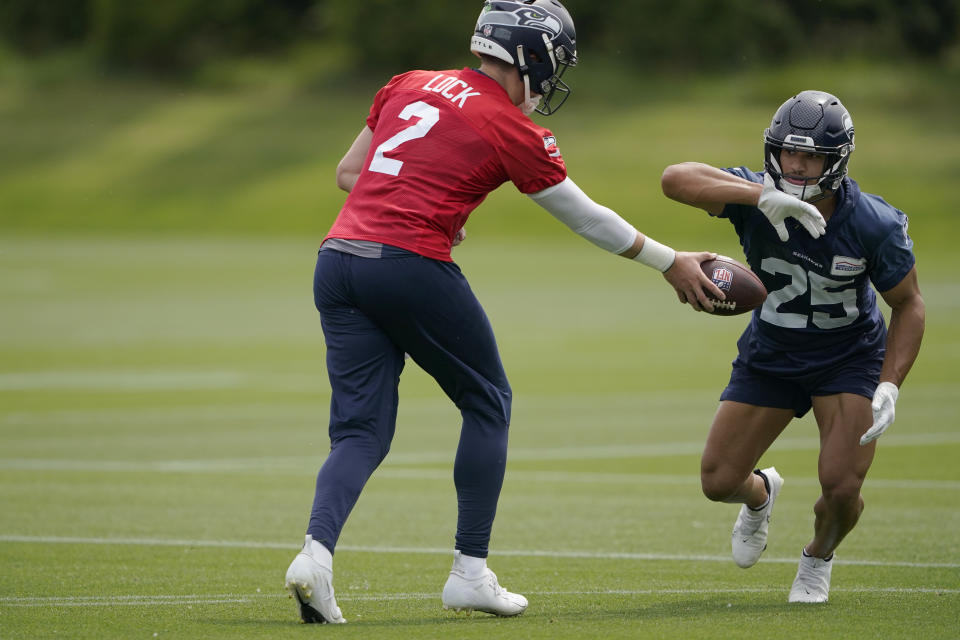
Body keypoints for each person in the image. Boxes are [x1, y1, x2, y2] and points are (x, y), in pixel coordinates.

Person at [283, 0, 725, 624]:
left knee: (360, 431)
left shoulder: (408, 82)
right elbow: (587, 217)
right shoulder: (513, 128)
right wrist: (669, 259)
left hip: (337, 259)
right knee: (488, 400)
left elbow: (348, 172)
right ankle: (469, 571)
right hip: (406, 263)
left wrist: (423, 204)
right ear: (533, 58)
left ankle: (315, 557)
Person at [661, 90, 925, 602]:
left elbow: (909, 304)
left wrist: (891, 382)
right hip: (773, 352)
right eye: (789, 153)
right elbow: (674, 179)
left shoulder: (873, 222)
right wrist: (757, 196)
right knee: (717, 480)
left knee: (841, 487)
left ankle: (817, 558)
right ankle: (761, 494)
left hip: (847, 358)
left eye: (812, 157)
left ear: (837, 161)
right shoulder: (756, 195)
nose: (798, 167)